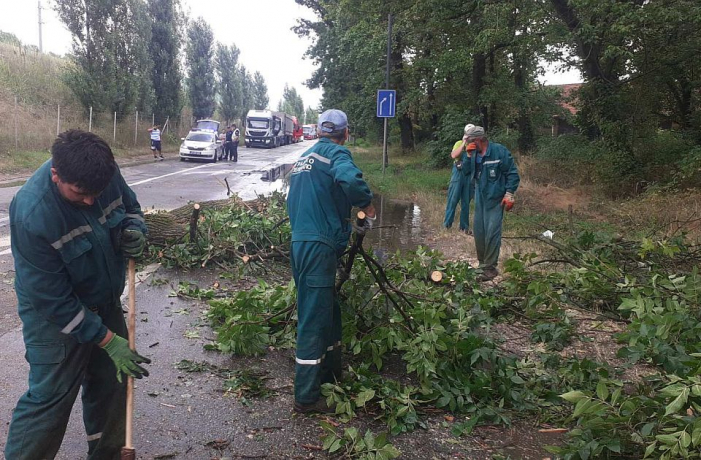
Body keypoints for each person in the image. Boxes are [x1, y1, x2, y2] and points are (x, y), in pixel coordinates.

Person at [5, 129, 152, 459]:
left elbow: (131, 207)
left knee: (112, 384)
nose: (90, 201)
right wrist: (107, 339)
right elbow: (51, 298)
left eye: (96, 193)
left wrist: (134, 229)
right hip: (55, 318)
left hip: (104, 299)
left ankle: (108, 454)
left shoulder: (104, 173)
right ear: (56, 175)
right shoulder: (32, 213)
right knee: (50, 399)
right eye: (81, 193)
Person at [286, 109, 375, 413]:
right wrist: (366, 206)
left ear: (321, 131)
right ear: (345, 133)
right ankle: (306, 397)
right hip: (318, 246)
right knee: (313, 316)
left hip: (300, 243)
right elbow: (349, 179)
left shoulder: (304, 159)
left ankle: (332, 373)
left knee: (328, 309)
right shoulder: (337, 153)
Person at [463, 125, 520, 281]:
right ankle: (482, 266)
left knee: (492, 233)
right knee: (479, 232)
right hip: (480, 196)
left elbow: (513, 174)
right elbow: (466, 172)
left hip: (496, 198)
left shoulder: (498, 151)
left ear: (480, 139)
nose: (469, 144)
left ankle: (490, 268)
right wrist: (468, 156)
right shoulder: (473, 153)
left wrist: (509, 194)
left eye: (471, 141)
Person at [443, 123, 477, 233]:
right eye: (469, 134)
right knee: (452, 200)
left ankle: (464, 228)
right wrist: (464, 143)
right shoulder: (459, 143)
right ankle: (447, 225)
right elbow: (453, 155)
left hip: (469, 176)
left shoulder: (476, 146)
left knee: (466, 203)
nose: (470, 136)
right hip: (458, 174)